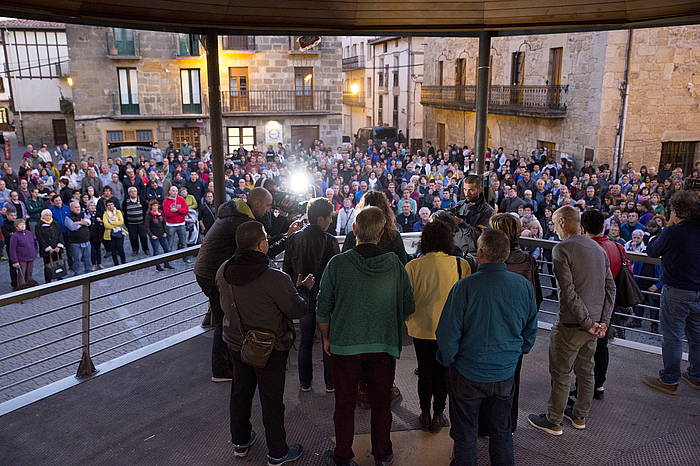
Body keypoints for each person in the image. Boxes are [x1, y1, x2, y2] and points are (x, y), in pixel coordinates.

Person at [317, 206, 415, 466]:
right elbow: (408, 306)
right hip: (383, 346)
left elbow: (323, 306)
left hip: (345, 346)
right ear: (382, 233)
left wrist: (327, 338)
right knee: (382, 404)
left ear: (354, 229)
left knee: (345, 404)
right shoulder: (394, 264)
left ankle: (343, 456)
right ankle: (382, 454)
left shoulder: (338, 263)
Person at [437, 228, 538, 466]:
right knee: (501, 432)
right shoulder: (523, 286)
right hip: (505, 371)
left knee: (465, 433)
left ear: (480, 253)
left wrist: (448, 360)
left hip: (467, 372)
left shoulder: (464, 287)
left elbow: (447, 333)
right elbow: (530, 329)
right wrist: (517, 351)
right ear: (504, 254)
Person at [216, 220, 313, 465]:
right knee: (271, 401)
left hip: (236, 343)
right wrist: (302, 290)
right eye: (266, 239)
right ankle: (277, 453)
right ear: (261, 245)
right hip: (269, 348)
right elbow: (295, 309)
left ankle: (240, 441)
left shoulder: (223, 270)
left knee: (240, 392)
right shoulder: (274, 277)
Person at [528, 206, 616, 435]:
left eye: (555, 222)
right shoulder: (598, 249)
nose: (553, 227)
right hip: (595, 325)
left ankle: (554, 420)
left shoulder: (562, 249)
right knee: (587, 371)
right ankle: (579, 416)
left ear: (565, 222)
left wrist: (588, 322)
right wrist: (602, 322)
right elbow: (610, 288)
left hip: (572, 325)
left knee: (561, 373)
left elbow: (567, 292)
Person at [475, 213, 543, 437]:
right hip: (516, 331)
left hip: (485, 329)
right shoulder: (528, 261)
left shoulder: (486, 261)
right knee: (512, 380)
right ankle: (508, 426)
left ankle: (483, 426)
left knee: (482, 378)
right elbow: (537, 298)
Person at [406, 220, 471, 432]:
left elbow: (406, 300)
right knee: (443, 372)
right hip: (450, 330)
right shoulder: (462, 265)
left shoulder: (413, 266)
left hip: (421, 328)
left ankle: (424, 413)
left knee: (424, 371)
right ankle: (439, 414)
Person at [643, 190, 700, 394]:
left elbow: (652, 251)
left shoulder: (673, 231)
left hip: (677, 290)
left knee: (672, 336)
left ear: (676, 210)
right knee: (697, 335)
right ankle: (696, 376)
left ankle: (669, 380)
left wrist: (667, 226)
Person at [283, 198, 339, 393]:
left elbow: (286, 269)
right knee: (328, 340)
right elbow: (335, 274)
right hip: (326, 299)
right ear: (321, 219)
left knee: (305, 341)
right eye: (330, 218)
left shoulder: (294, 239)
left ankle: (305, 382)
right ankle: (330, 382)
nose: (331, 221)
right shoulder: (330, 241)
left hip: (302, 297)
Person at [453, 175, 493, 255]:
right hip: (456, 250)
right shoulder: (460, 205)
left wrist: (462, 224)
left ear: (480, 189)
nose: (467, 193)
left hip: (474, 253)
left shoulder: (487, 210)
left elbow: (481, 236)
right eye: (465, 190)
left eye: (471, 190)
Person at [36, 209, 65, 283]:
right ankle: (48, 279)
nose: (48, 217)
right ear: (42, 216)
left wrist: (59, 246)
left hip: (57, 248)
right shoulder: (38, 225)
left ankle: (59, 276)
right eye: (46, 215)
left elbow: (60, 235)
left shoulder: (55, 223)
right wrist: (48, 248)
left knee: (58, 262)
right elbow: (40, 238)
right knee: (47, 264)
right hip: (47, 249)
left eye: (49, 215)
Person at [64, 201, 93, 276]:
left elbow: (89, 222)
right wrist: (82, 223)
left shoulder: (83, 213)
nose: (78, 208)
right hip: (75, 243)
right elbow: (72, 227)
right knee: (77, 259)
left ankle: (89, 271)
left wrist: (79, 223)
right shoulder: (68, 217)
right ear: (71, 208)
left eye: (79, 207)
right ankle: (78, 274)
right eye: (76, 207)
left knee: (88, 258)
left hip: (86, 240)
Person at [163, 186, 190, 263]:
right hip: (171, 225)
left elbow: (186, 210)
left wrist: (177, 210)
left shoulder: (181, 199)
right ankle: (167, 260)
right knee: (169, 244)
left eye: (176, 191)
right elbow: (168, 214)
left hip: (181, 224)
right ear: (169, 192)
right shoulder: (166, 201)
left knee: (183, 243)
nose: (175, 192)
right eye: (173, 191)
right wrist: (180, 214)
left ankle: (186, 258)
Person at [144, 200, 173, 271]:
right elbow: (146, 227)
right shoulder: (149, 215)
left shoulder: (161, 213)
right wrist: (151, 235)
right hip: (154, 235)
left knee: (167, 249)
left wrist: (165, 232)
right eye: (153, 206)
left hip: (162, 234)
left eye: (156, 205)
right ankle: (158, 266)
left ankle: (166, 263)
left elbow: (164, 223)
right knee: (156, 252)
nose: (155, 207)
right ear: (151, 207)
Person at [9, 218, 38, 287]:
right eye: (20, 225)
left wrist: (35, 252)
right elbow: (12, 249)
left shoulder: (29, 233)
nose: (22, 226)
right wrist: (15, 261)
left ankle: (30, 287)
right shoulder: (14, 236)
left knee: (29, 273)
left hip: (31, 256)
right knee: (22, 274)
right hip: (21, 258)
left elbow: (34, 244)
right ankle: (21, 288)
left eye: (23, 224)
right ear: (16, 227)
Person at [122, 187, 150, 256]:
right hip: (131, 224)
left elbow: (146, 210)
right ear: (129, 193)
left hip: (141, 223)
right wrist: (127, 224)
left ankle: (146, 249)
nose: (133, 192)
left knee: (143, 237)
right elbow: (124, 212)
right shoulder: (125, 202)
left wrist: (145, 222)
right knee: (133, 238)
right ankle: (135, 250)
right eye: (131, 191)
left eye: (135, 191)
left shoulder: (142, 200)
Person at [103, 200, 127, 266]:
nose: (110, 206)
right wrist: (116, 224)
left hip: (119, 232)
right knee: (113, 251)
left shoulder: (118, 212)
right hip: (110, 234)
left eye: (111, 204)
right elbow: (106, 225)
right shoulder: (105, 214)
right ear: (106, 206)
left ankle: (124, 263)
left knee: (120, 249)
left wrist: (111, 222)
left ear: (114, 205)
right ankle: (116, 264)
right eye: (108, 205)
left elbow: (121, 222)